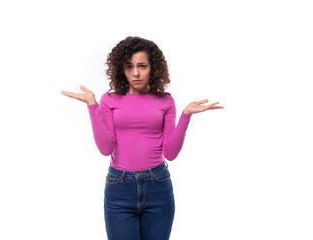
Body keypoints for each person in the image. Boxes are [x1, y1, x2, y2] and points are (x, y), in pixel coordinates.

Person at [61, 36, 224, 240]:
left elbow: (170, 153)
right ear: (121, 69)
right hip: (119, 188)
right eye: (129, 67)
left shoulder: (166, 101)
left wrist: (186, 116)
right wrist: (92, 105)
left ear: (152, 68)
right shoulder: (109, 100)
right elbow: (105, 148)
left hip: (158, 187)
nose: (135, 73)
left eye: (142, 66)